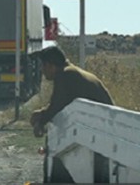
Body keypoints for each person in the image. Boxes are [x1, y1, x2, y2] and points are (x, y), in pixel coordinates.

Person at [29, 45, 113, 183]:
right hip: (102, 129)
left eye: (43, 66)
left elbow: (56, 106)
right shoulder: (72, 72)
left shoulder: (65, 75)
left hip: (98, 134)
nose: (42, 71)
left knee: (57, 155)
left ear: (50, 65)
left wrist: (40, 119)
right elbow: (60, 105)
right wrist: (42, 115)